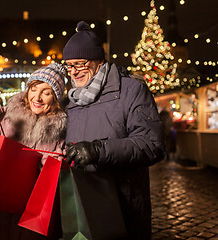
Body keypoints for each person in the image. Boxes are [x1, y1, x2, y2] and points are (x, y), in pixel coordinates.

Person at [63, 21, 165, 240]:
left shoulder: (131, 89)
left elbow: (151, 144)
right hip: (82, 202)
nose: (73, 71)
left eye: (79, 63)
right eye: (68, 65)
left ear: (99, 61)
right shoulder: (71, 100)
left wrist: (98, 150)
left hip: (122, 204)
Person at [0, 63, 67, 240]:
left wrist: (53, 164)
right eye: (34, 89)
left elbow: (57, 182)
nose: (37, 97)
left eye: (46, 93)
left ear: (55, 98)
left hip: (30, 219)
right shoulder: (6, 117)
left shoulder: (60, 132)